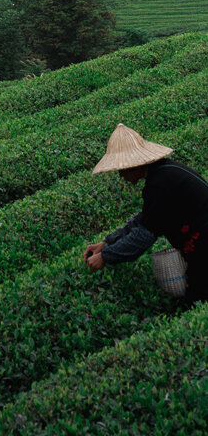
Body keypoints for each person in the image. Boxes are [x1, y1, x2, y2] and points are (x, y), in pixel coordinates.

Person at [84, 123, 208, 304]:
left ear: (133, 167)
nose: (120, 175)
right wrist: (106, 243)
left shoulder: (159, 184)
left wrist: (105, 257)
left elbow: (143, 236)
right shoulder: (163, 173)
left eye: (121, 169)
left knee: (198, 299)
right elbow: (145, 220)